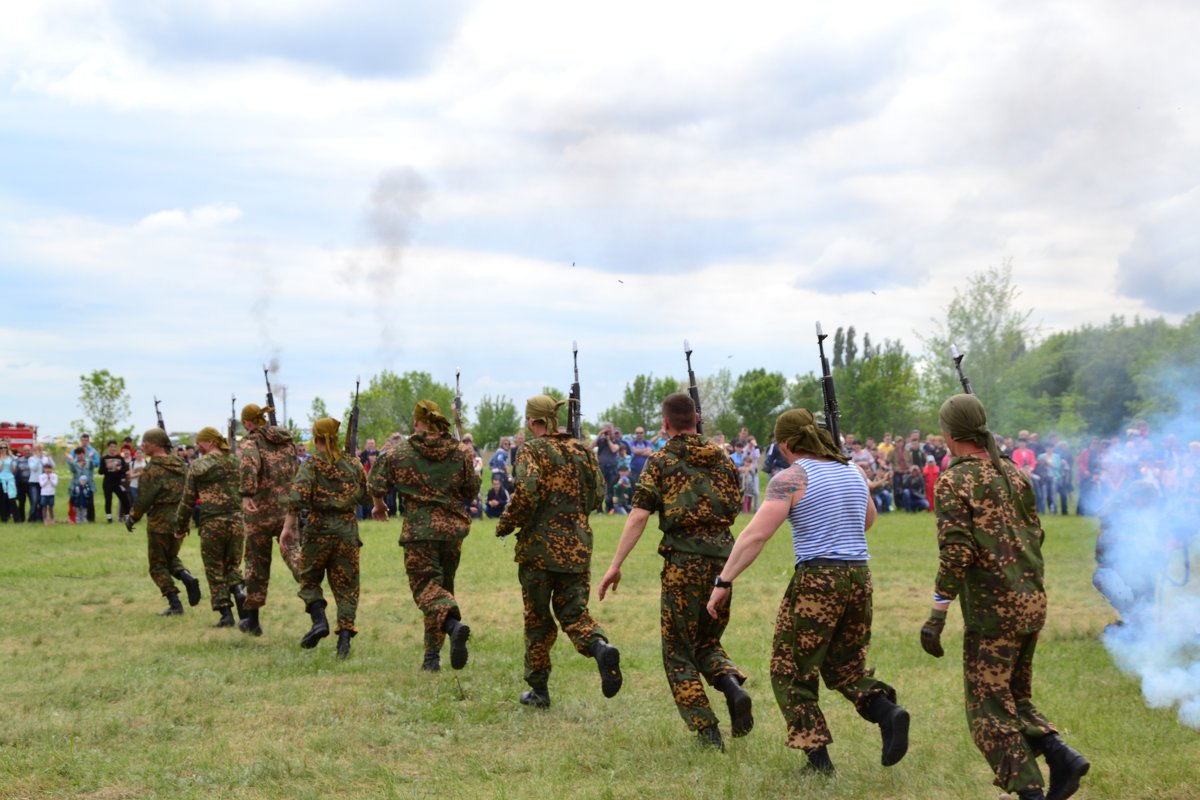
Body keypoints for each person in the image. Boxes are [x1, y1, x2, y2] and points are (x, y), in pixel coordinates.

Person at [706, 408, 909, 775]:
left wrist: (724, 580)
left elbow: (756, 535)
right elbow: (867, 520)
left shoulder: (791, 478)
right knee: (846, 667)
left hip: (818, 577)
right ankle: (887, 711)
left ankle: (818, 761)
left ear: (786, 444)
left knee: (791, 670)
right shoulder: (853, 470)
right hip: (859, 576)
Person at [919, 394, 1089, 800]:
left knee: (988, 712)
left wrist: (937, 612)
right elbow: (1036, 534)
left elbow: (958, 552)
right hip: (1031, 600)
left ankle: (1029, 790)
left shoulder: (955, 479)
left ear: (948, 433)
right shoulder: (1013, 473)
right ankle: (1058, 753)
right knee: (1013, 696)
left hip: (994, 613)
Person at [599, 392, 751, 751]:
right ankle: (731, 685)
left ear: (665, 424)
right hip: (723, 564)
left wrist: (615, 564)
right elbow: (734, 505)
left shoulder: (661, 460)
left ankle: (707, 730)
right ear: (696, 420)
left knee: (678, 651)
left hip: (683, 563)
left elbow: (638, 515)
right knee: (707, 641)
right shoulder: (724, 459)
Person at [496, 395, 621, 708]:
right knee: (574, 613)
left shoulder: (531, 450)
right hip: (577, 548)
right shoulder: (581, 450)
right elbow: (599, 495)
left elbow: (525, 490)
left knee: (537, 620)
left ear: (531, 420)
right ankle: (600, 647)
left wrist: (507, 523)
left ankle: (539, 690)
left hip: (539, 551)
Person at [369, 400, 480, 672]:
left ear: (417, 422)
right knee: (442, 591)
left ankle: (452, 626)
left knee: (427, 591)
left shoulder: (400, 452)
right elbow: (472, 489)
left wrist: (379, 505)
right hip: (452, 532)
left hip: (420, 531)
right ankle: (432, 658)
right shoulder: (459, 451)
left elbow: (374, 483)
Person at [281, 417, 367, 659]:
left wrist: (288, 527)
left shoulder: (311, 465)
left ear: (315, 436)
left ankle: (319, 621)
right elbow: (366, 495)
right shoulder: (353, 464)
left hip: (318, 528)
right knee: (347, 587)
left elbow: (297, 499)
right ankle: (344, 640)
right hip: (347, 530)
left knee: (309, 579)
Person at [237, 403, 301, 636]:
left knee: (255, 565)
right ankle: (316, 606)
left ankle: (252, 622)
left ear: (247, 422)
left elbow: (248, 466)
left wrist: (246, 495)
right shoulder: (287, 440)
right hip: (287, 511)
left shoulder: (251, 442)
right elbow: (296, 471)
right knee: (294, 555)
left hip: (259, 512)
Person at [174, 427, 247, 628]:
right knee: (232, 565)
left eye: (201, 442)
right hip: (236, 522)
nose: (198, 446)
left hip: (212, 523)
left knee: (214, 567)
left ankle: (225, 613)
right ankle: (240, 592)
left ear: (211, 442)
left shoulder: (198, 466)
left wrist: (180, 526)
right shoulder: (236, 462)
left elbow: (188, 499)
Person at [124, 428, 202, 615]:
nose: (143, 446)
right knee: (171, 557)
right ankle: (187, 577)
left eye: (146, 442)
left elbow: (144, 499)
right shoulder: (181, 465)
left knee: (157, 565)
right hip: (180, 520)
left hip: (160, 522)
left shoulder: (153, 470)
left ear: (156, 444)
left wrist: (132, 517)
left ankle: (174, 603)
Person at [98, 440, 131, 523]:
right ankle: (109, 518)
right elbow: (100, 471)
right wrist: (107, 467)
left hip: (118, 483)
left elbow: (125, 469)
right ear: (108, 447)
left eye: (114, 447)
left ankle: (127, 517)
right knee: (108, 500)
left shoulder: (120, 458)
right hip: (107, 483)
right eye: (111, 447)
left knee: (124, 498)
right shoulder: (104, 458)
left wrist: (120, 469)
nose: (113, 448)